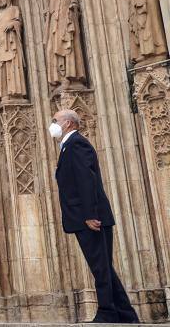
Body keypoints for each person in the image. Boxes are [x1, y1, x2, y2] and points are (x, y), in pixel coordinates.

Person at [51, 109, 139, 323]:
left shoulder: (77, 144)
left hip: (90, 218)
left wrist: (90, 215)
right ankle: (126, 315)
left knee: (99, 266)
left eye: (55, 120)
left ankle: (107, 313)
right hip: (85, 217)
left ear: (69, 124)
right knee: (103, 265)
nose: (52, 124)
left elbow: (86, 181)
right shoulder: (68, 146)